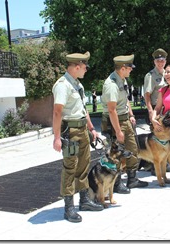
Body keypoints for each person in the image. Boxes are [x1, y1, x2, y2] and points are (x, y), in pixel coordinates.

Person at [52, 51, 103, 223]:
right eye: (85, 67)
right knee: (70, 169)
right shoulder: (62, 85)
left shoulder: (77, 85)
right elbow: (57, 111)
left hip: (82, 130)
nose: (86, 70)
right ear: (76, 66)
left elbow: (83, 108)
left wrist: (91, 128)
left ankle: (84, 201)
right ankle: (68, 208)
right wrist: (57, 137)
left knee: (83, 166)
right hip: (70, 132)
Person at [101, 54, 148, 195]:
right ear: (122, 68)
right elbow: (111, 109)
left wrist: (131, 115)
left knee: (133, 149)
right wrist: (118, 131)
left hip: (125, 119)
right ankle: (116, 184)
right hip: (115, 122)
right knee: (117, 152)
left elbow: (126, 99)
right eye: (129, 68)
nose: (131, 70)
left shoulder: (122, 80)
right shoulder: (111, 85)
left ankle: (132, 179)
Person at [143, 48, 168, 126]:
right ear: (154, 62)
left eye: (162, 61)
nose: (160, 63)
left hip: (167, 107)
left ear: (165, 62)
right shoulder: (150, 76)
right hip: (156, 108)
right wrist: (150, 111)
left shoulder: (167, 73)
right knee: (158, 133)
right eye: (158, 61)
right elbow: (147, 95)